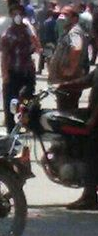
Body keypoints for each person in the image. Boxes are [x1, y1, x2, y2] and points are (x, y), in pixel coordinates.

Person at [57, 69, 98, 210]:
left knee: (91, 152)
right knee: (67, 119)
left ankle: (90, 196)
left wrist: (94, 117)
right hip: (92, 112)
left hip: (96, 118)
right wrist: (63, 85)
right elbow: (86, 81)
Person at [0, 4, 39, 134]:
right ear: (11, 16)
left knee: (28, 97)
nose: (17, 16)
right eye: (14, 14)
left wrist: (32, 32)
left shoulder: (28, 30)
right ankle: (10, 127)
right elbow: (4, 55)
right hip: (13, 70)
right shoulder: (8, 34)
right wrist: (4, 74)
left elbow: (37, 46)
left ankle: (28, 122)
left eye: (20, 14)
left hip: (27, 70)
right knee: (10, 99)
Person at [49, 5, 87, 110]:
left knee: (66, 113)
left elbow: (76, 48)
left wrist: (71, 69)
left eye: (66, 14)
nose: (61, 17)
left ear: (75, 18)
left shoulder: (74, 32)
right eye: (61, 14)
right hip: (64, 82)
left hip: (69, 81)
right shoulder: (67, 32)